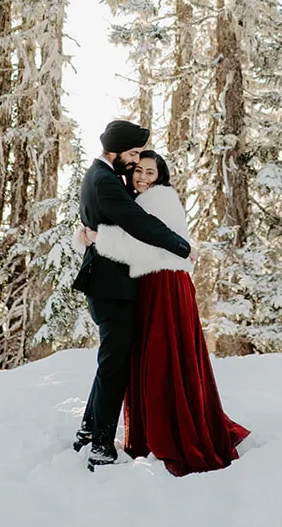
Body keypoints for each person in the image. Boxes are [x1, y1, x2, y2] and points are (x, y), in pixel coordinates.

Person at [78, 149, 249, 476]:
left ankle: (172, 431)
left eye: (150, 172)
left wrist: (99, 238)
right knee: (152, 357)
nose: (142, 177)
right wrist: (88, 236)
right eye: (138, 171)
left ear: (161, 176)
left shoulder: (159, 199)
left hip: (165, 283)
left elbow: (141, 243)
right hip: (152, 283)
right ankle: (150, 427)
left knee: (163, 358)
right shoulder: (139, 198)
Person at [71, 120, 193, 469]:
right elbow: (138, 222)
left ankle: (88, 430)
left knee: (111, 362)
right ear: (118, 150)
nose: (137, 161)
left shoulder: (102, 175)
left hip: (110, 285)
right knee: (114, 367)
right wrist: (182, 247)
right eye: (134, 153)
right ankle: (100, 446)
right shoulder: (105, 180)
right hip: (111, 287)